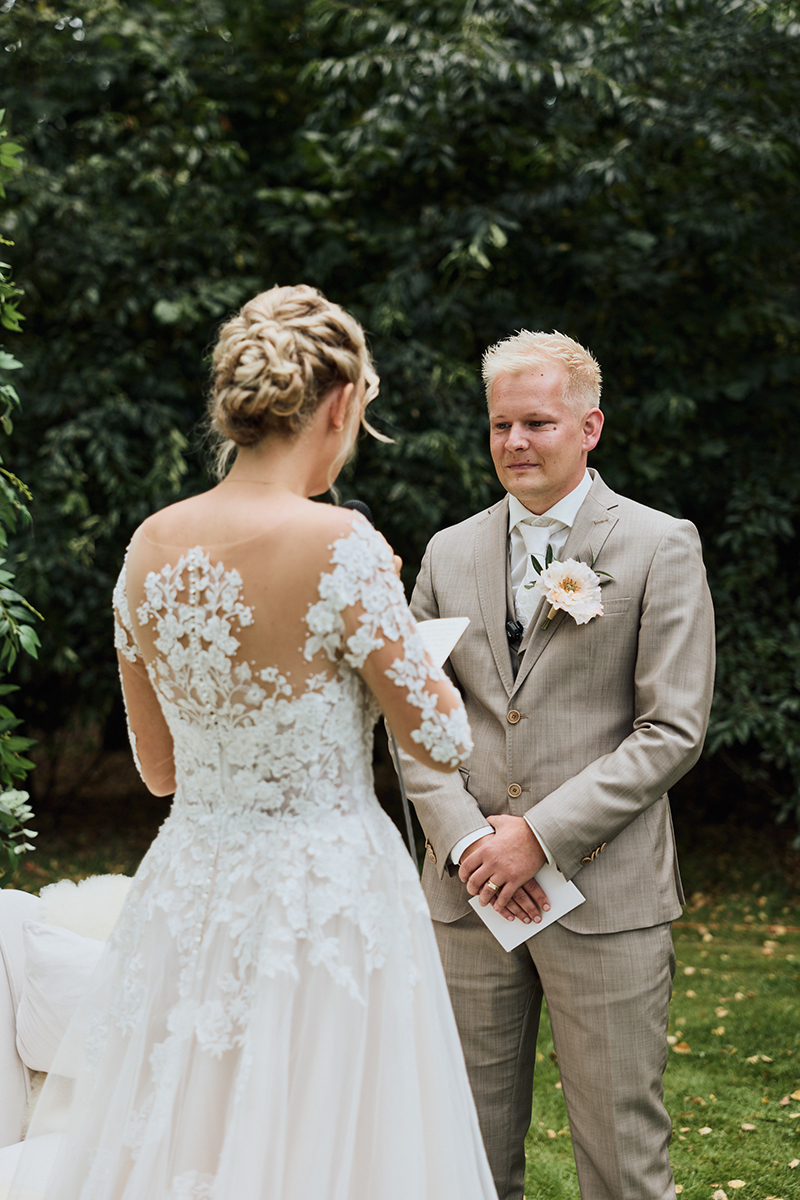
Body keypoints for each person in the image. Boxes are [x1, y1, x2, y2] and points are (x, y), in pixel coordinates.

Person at [14, 285, 498, 1200]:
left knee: (188, 1136)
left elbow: (158, 771)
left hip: (191, 891)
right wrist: (387, 616)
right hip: (327, 895)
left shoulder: (148, 546)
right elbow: (442, 739)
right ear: (341, 403)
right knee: (327, 1144)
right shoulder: (345, 544)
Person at [399, 330, 715, 1200]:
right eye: (500, 424)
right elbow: (413, 719)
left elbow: (672, 728)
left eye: (537, 423)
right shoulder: (447, 552)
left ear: (589, 427)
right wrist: (469, 842)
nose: (515, 442)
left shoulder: (659, 545)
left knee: (621, 1158)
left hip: (605, 895)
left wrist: (536, 836)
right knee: (461, 1156)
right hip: (468, 899)